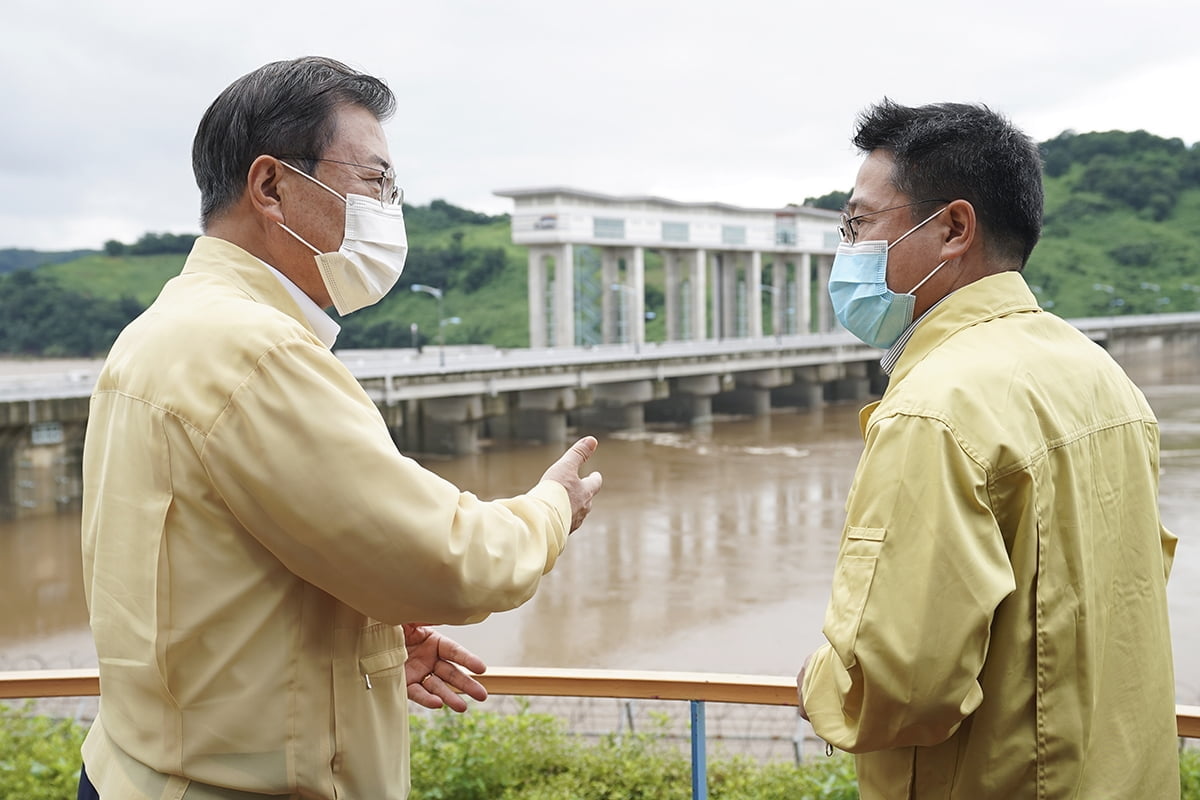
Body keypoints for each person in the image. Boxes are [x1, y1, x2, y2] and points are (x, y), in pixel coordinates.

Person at [77, 56, 602, 800]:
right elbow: (453, 561)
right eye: (375, 182)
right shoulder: (254, 351)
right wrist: (552, 509)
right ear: (271, 186)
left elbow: (205, 577)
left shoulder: (157, 331)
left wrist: (369, 641)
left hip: (134, 769)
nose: (390, 208)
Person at [796, 99, 1178, 798]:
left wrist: (818, 682)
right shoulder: (1105, 381)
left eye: (858, 225)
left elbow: (896, 683)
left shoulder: (935, 411)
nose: (846, 251)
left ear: (952, 228)